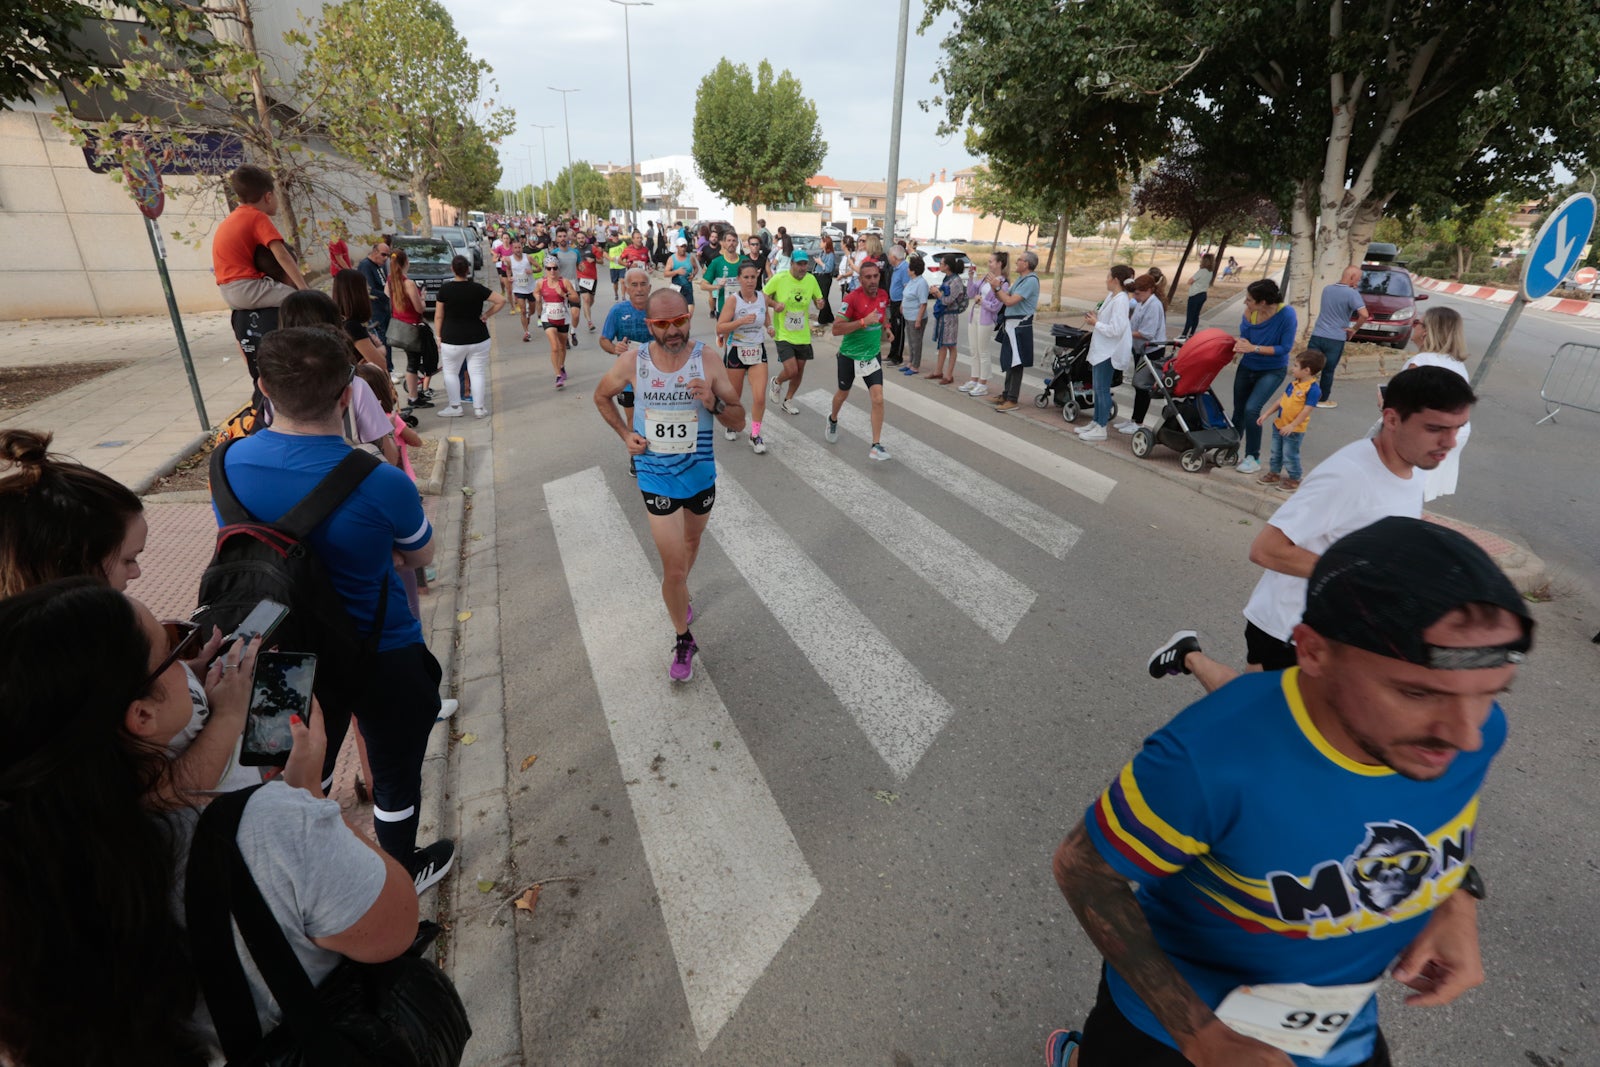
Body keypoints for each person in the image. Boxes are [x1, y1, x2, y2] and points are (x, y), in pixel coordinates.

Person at [1046, 516, 1533, 1067]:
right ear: (1314, 652)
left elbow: (1448, 814)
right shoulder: (1208, 759)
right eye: (1418, 692)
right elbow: (1082, 870)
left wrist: (1456, 900)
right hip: (1169, 1033)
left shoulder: (1472, 734)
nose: (1466, 734)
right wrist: (1201, 1037)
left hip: (1336, 1035)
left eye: (1492, 693)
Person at [0, 579, 423, 1067]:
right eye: (175, 651)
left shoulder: (26, 871)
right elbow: (395, 927)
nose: (193, 664)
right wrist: (307, 795)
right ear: (140, 715)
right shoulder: (270, 827)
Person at [220, 326, 454, 889]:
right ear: (348, 394)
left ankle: (306, 888)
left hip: (276, 648)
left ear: (263, 388)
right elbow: (420, 552)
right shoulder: (379, 478)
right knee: (395, 772)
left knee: (288, 778)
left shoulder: (226, 463)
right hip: (382, 648)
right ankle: (399, 870)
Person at [1150, 365, 1476, 689]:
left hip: (1339, 634)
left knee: (1262, 714)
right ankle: (1190, 656)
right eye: (1436, 428)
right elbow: (1266, 550)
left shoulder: (1416, 466)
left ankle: (1187, 654)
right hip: (1288, 629)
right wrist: (1362, 576)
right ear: (1392, 419)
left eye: (1458, 429)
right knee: (1263, 722)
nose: (1450, 442)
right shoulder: (1347, 476)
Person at [592, 289, 746, 681]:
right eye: (662, 324)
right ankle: (684, 637)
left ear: (688, 317)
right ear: (649, 326)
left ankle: (681, 595)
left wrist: (713, 403)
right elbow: (601, 396)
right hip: (656, 476)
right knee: (673, 569)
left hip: (700, 476)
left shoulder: (707, 358)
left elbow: (739, 420)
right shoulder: (634, 362)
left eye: (679, 321)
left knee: (692, 545)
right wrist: (625, 434)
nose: (673, 330)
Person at [277, 289, 401, 469]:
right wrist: (388, 431)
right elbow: (389, 459)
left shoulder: (275, 387)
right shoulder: (354, 386)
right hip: (344, 486)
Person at [212, 164, 306, 314]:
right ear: (268, 197)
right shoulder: (257, 217)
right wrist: (303, 288)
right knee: (299, 300)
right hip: (246, 288)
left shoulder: (233, 218)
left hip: (227, 291)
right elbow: (282, 255)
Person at [1402, 306, 1473, 501]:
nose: (1413, 326)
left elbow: (1402, 405)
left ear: (1426, 331)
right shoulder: (1457, 364)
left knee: (1400, 484)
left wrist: (1383, 399)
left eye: (1417, 322)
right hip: (1455, 432)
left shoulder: (1421, 361)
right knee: (1419, 488)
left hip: (1428, 432)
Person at [826, 258, 893, 462]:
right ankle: (833, 418)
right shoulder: (851, 299)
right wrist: (863, 322)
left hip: (871, 356)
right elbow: (836, 329)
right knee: (842, 394)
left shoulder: (883, 295)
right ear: (860, 279)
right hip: (849, 355)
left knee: (878, 398)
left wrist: (887, 329)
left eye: (876, 276)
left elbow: (883, 316)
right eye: (868, 277)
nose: (873, 280)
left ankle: (876, 445)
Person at [1231, 279, 1299, 474]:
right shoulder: (1250, 313)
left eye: (1249, 300)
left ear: (1263, 302)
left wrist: (1254, 348)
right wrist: (1240, 343)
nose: (1245, 302)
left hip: (1272, 369)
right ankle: (1230, 449)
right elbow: (1246, 337)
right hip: (1247, 366)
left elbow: (1285, 348)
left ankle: (1253, 457)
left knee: (1252, 409)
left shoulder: (1286, 314)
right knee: (1239, 411)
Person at [433, 253, 503, 419]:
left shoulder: (445, 289)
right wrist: (486, 315)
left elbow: (438, 316)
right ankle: (479, 408)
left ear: (452, 269)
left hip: (452, 338)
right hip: (478, 337)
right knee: (477, 373)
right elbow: (501, 300)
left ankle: (455, 406)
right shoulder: (477, 288)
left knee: (451, 373)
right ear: (468, 270)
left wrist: (438, 336)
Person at [718, 262, 773, 454]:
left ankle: (755, 435)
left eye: (753, 277)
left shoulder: (762, 298)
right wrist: (740, 321)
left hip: (757, 350)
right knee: (735, 396)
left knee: (759, 397)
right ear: (739, 279)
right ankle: (732, 423)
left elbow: (765, 315)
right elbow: (720, 327)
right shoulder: (733, 301)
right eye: (746, 277)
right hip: (736, 351)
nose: (750, 281)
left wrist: (770, 327)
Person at [1255, 348, 1327, 491]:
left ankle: (1295, 478)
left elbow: (1306, 410)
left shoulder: (1313, 389)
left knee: (1290, 455)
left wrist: (1292, 426)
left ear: (1306, 370)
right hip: (1279, 425)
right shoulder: (1294, 384)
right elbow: (1281, 400)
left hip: (1293, 430)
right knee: (1276, 452)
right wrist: (1266, 414)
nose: (1292, 368)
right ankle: (1274, 473)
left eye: (1295, 366)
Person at [765, 247, 825, 416]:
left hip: (803, 334)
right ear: (791, 263)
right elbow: (763, 296)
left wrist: (820, 303)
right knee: (791, 371)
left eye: (805, 264)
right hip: (783, 333)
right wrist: (775, 304)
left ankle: (788, 400)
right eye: (799, 264)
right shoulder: (780, 278)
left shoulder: (811, 280)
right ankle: (777, 382)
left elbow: (818, 299)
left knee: (799, 372)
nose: (802, 267)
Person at [1307, 266, 1372, 408]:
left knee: (1308, 366)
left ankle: (1300, 394)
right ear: (1352, 277)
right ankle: (1322, 400)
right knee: (1328, 370)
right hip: (1335, 338)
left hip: (1318, 334)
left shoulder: (1327, 289)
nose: (1359, 282)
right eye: (1358, 278)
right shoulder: (1352, 294)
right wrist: (1354, 329)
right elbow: (1364, 315)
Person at [991, 251, 1044, 413]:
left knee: (1016, 362)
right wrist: (996, 288)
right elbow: (1004, 296)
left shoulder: (1031, 281)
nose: (1016, 262)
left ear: (1026, 264)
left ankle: (1012, 399)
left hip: (1020, 325)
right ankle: (1006, 394)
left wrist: (997, 287)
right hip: (1011, 324)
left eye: (1019, 260)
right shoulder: (1021, 279)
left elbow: (1009, 301)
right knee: (1009, 360)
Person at [1120, 272, 1169, 434]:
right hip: (1141, 349)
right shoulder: (1143, 302)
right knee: (1138, 386)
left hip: (1152, 350)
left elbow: (1147, 333)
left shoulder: (1154, 305)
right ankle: (1134, 419)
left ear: (1149, 290)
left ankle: (1139, 422)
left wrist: (1125, 331)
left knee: (1142, 386)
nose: (1136, 296)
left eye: (1138, 293)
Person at [386, 248, 431, 411]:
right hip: (413, 327)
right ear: (405, 262)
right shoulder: (408, 283)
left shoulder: (390, 280)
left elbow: (388, 297)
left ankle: (415, 394)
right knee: (413, 362)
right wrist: (423, 299)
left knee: (411, 361)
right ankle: (413, 397)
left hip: (400, 327)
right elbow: (419, 309)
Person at [962, 252, 1008, 398]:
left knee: (983, 351)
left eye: (991, 262)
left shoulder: (1003, 283)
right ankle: (974, 379)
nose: (989, 264)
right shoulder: (985, 279)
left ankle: (983, 383)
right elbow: (970, 293)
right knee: (973, 350)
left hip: (986, 319)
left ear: (1000, 263)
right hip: (974, 316)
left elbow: (996, 306)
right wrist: (970, 277)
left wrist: (982, 302)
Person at [536, 254, 578, 390]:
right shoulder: (541, 283)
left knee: (561, 347)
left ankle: (561, 366)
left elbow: (576, 298)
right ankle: (558, 375)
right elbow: (536, 292)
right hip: (547, 318)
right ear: (545, 269)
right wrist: (537, 297)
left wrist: (564, 294)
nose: (552, 271)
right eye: (549, 268)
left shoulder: (564, 282)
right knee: (554, 347)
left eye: (554, 268)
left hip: (563, 317)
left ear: (558, 268)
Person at [699, 230, 747, 339]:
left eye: (734, 241)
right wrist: (717, 286)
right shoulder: (717, 262)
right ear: (724, 243)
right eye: (729, 240)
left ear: (737, 244)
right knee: (727, 341)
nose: (731, 243)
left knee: (742, 340)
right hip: (723, 308)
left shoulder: (744, 260)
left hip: (742, 307)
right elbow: (703, 285)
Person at [358, 242, 393, 372]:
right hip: (374, 309)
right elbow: (369, 290)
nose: (385, 258)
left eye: (387, 255)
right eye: (383, 255)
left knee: (387, 339)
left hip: (384, 308)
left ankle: (390, 367)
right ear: (375, 252)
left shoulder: (380, 266)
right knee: (380, 339)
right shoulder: (366, 266)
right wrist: (387, 295)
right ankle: (385, 368)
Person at [507, 240, 538, 344]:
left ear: (522, 248)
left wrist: (532, 271)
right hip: (518, 288)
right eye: (515, 248)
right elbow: (507, 269)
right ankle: (526, 332)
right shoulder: (509, 259)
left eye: (519, 247)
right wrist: (509, 277)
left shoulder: (528, 257)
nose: (517, 250)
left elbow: (539, 268)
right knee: (523, 310)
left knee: (532, 310)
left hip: (530, 288)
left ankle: (529, 315)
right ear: (512, 249)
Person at [884, 245, 910, 366]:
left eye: (889, 255)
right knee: (893, 328)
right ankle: (892, 353)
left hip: (900, 302)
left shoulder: (904, 268)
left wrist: (903, 303)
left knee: (899, 330)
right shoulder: (896, 268)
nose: (888, 257)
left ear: (894, 257)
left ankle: (897, 357)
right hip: (894, 302)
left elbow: (906, 287)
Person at [1180, 253, 1214, 339]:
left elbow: (1190, 281)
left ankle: (1184, 334)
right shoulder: (1210, 272)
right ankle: (1191, 333)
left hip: (1195, 295)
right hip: (1203, 294)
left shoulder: (1201, 271)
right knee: (1196, 315)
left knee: (1190, 315)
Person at [573, 231, 600, 332]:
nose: (581, 240)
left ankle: (586, 309)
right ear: (576, 239)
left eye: (582, 238)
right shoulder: (574, 251)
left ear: (586, 238)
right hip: (581, 278)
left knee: (591, 301)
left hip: (593, 278)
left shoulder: (592, 248)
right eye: (579, 238)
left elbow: (601, 260)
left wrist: (594, 260)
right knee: (586, 299)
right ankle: (589, 322)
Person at [666, 237, 698, 312]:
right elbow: (666, 273)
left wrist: (693, 275)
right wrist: (676, 272)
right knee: (676, 313)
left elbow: (696, 268)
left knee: (689, 313)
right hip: (676, 289)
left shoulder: (690, 258)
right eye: (681, 246)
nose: (683, 249)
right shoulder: (672, 259)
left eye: (684, 246)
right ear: (677, 247)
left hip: (688, 289)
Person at [814, 234, 838, 329]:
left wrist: (820, 263)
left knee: (823, 298)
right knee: (824, 298)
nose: (820, 243)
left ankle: (822, 320)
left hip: (825, 277)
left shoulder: (830, 255)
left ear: (825, 243)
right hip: (819, 276)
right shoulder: (822, 253)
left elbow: (828, 268)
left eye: (821, 242)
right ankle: (829, 317)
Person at [606, 231, 629, 298]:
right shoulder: (609, 244)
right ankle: (616, 293)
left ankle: (623, 296)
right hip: (613, 266)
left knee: (622, 281)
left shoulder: (623, 243)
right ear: (611, 237)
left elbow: (627, 251)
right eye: (614, 236)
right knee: (615, 283)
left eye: (616, 235)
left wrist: (627, 261)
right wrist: (610, 258)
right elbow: (604, 254)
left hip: (622, 265)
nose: (615, 237)